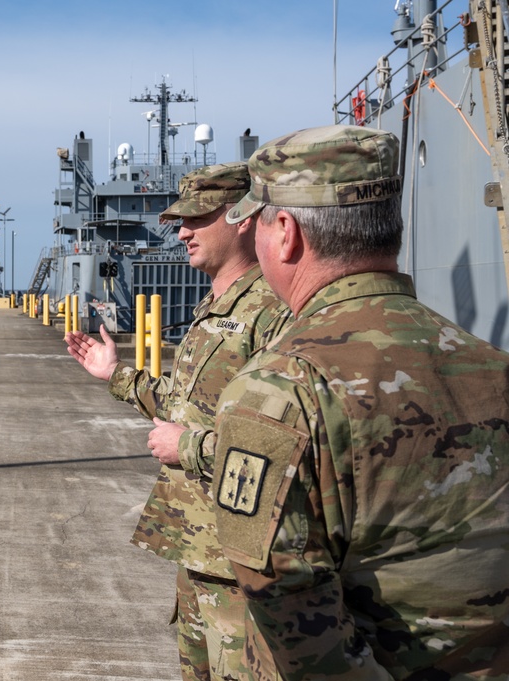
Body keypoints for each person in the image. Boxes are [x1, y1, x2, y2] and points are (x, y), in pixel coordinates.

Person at [212, 124, 509, 679]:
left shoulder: (279, 390)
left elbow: (288, 606)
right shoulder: (493, 365)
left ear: (286, 233)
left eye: (255, 223)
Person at [64, 162, 288, 680]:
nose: (182, 231)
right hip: (199, 550)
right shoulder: (214, 306)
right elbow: (187, 405)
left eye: (197, 217)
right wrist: (116, 374)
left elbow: (284, 442)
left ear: (244, 218)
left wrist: (186, 448)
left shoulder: (271, 311)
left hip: (242, 561)